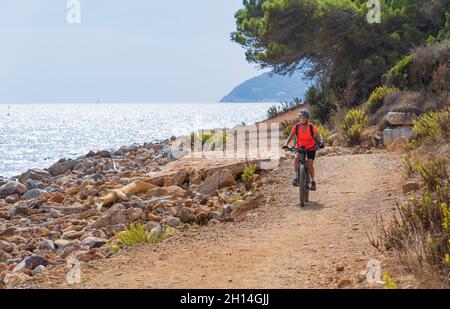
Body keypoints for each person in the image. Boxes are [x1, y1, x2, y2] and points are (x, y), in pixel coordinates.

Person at [282, 108, 324, 191]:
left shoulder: (311, 127)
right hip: (299, 147)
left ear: (307, 118)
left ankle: (313, 181)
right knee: (296, 158)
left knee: (309, 164)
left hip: (311, 147)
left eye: (304, 117)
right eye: (301, 117)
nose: (302, 119)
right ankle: (296, 177)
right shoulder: (296, 126)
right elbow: (290, 137)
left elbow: (319, 136)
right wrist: (286, 144)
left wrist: (321, 142)